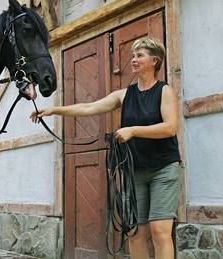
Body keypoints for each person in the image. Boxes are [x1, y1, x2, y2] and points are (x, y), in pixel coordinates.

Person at [30, 36, 181, 259]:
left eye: (140, 55)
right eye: (133, 55)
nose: (134, 59)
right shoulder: (124, 94)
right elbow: (90, 107)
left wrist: (133, 130)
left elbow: (170, 127)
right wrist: (54, 111)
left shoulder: (164, 91)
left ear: (155, 61)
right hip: (134, 172)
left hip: (163, 169)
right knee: (134, 231)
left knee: (160, 231)